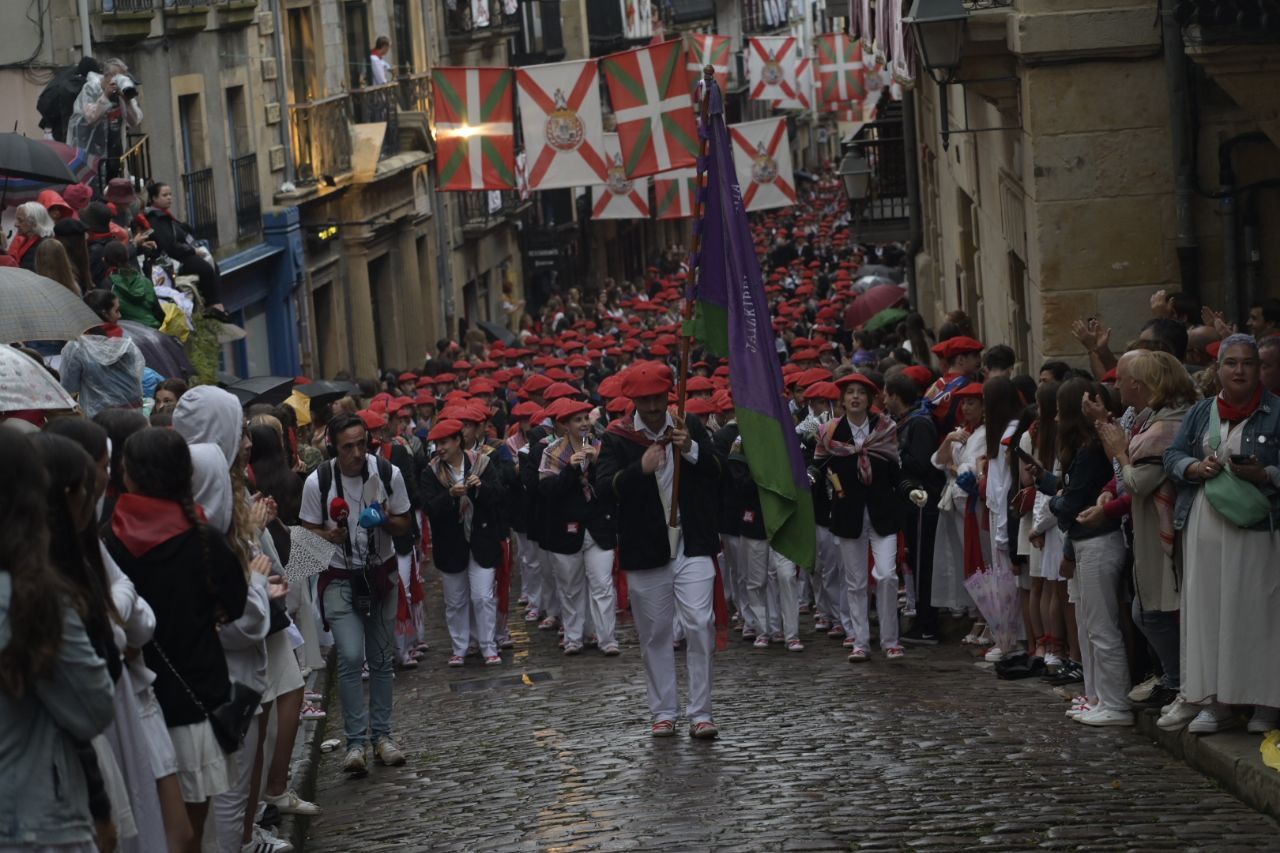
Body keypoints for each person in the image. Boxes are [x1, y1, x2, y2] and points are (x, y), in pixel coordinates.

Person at [103, 427, 249, 850]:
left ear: (130, 475)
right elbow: (236, 604)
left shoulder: (107, 543)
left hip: (136, 708)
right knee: (191, 834)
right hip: (197, 703)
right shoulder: (202, 538)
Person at [595, 361, 722, 739]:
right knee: (655, 633)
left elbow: (719, 472)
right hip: (645, 547)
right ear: (632, 401)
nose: (652, 408)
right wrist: (641, 469)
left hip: (693, 542)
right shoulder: (617, 437)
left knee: (700, 624)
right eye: (644, 401)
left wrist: (694, 450)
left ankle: (701, 712)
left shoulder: (689, 426)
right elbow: (605, 487)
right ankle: (664, 710)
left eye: (657, 400)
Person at [1164, 333, 1280, 735]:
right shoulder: (1201, 412)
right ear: (1220, 369)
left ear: (1260, 369)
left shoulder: (1276, 412)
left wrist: (1265, 473)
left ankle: (1266, 702)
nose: (1240, 370)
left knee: (1256, 613)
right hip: (1204, 523)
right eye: (1232, 363)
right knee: (1207, 611)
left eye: (1249, 363)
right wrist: (1193, 469)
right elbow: (1172, 455)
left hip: (1257, 528)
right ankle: (1215, 701)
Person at [299, 413, 412, 775]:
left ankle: (382, 737)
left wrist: (384, 520)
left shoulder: (387, 473)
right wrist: (328, 537)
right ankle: (354, 743)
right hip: (339, 578)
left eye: (362, 444)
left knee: (380, 657)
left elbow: (405, 523)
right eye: (348, 446)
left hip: (380, 574)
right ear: (332, 445)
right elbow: (306, 532)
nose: (356, 453)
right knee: (349, 655)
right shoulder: (319, 481)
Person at [1094, 350, 1196, 727]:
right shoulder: (1149, 418)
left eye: (1121, 379)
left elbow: (1139, 480)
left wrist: (1119, 452)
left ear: (1138, 383)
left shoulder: (1165, 425)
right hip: (1147, 531)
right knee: (1147, 610)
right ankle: (1176, 681)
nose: (1116, 385)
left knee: (1154, 612)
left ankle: (1179, 682)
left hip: (1163, 531)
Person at [1037, 378, 1131, 727]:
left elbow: (1071, 504)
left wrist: (1059, 499)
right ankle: (1098, 697)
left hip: (1098, 541)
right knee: (1089, 626)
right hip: (1084, 542)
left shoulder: (1091, 452)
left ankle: (1115, 702)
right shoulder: (1082, 450)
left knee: (1102, 627)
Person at [816, 373, 905, 662]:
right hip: (847, 513)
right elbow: (819, 464)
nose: (855, 397)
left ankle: (891, 640)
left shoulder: (885, 429)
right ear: (842, 400)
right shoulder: (830, 433)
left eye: (861, 393)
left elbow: (895, 468)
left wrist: (909, 488)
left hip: (883, 513)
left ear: (870, 399)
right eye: (850, 392)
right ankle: (861, 641)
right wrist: (809, 475)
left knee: (888, 575)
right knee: (855, 583)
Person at [420, 418, 506, 666]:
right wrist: (449, 496)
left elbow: (498, 496)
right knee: (455, 600)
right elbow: (428, 508)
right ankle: (460, 646)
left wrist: (480, 488)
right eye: (437, 443)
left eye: (445, 442)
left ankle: (488, 645)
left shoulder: (482, 463)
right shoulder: (431, 472)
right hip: (451, 545)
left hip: (482, 540)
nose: (440, 448)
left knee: (482, 596)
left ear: (458, 440)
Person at [537, 398, 620, 656]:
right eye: (577, 420)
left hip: (599, 528)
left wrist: (597, 465)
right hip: (567, 529)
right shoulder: (552, 452)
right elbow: (547, 491)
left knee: (602, 585)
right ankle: (574, 637)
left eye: (586, 418)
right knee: (570, 587)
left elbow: (612, 487)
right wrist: (571, 469)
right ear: (565, 425)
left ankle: (607, 639)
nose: (584, 424)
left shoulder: (602, 447)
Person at [145, 182, 228, 320]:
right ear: (154, 198)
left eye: (170, 194)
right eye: (164, 195)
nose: (169, 198)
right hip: (174, 258)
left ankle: (217, 303)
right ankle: (211, 305)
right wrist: (192, 251)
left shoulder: (167, 216)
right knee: (205, 268)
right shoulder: (155, 218)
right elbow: (169, 245)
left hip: (183, 253)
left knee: (213, 264)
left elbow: (181, 235)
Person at [60, 290, 146, 417]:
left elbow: (69, 387)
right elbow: (137, 376)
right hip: (133, 414)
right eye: (116, 311)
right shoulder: (126, 340)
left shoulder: (77, 346)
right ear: (105, 313)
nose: (120, 315)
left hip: (98, 417)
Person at [66, 57, 144, 169]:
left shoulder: (122, 91)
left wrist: (127, 102)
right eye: (117, 77)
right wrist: (105, 96)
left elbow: (135, 120)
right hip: (92, 154)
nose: (120, 80)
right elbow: (89, 118)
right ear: (107, 76)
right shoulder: (91, 89)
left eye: (123, 77)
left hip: (116, 152)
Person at [36, 56, 103, 142]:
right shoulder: (76, 86)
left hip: (50, 124)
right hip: (61, 130)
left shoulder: (69, 74)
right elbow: (70, 119)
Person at [102, 240, 163, 327]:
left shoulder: (107, 286)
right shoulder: (145, 281)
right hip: (154, 330)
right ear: (127, 256)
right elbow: (159, 314)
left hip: (130, 335)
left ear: (104, 260)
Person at [8, 201, 54, 271]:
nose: (16, 224)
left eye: (20, 220)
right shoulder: (28, 240)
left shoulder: (43, 246)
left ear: (34, 223)